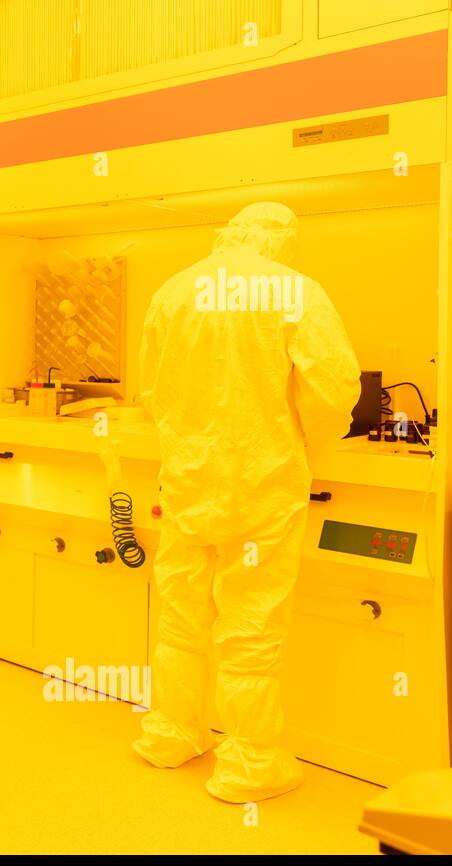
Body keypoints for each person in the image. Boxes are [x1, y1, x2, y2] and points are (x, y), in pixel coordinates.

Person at [134, 202, 360, 802]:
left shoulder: (174, 290)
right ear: (279, 239)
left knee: (180, 610)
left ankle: (171, 732)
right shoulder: (295, 290)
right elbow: (334, 387)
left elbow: (151, 390)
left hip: (186, 477)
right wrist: (309, 434)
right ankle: (250, 763)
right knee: (252, 619)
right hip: (261, 480)